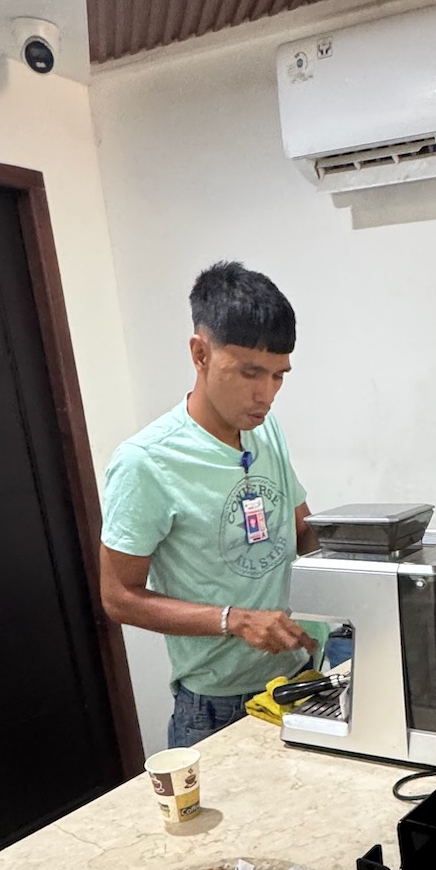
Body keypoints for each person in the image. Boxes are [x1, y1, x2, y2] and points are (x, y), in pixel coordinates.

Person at [99, 261, 319, 749]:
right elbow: (118, 596)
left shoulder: (266, 430)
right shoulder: (145, 461)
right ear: (200, 353)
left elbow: (303, 533)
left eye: (279, 376)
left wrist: (378, 562)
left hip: (297, 680)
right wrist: (233, 619)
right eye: (249, 372)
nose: (266, 395)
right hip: (217, 706)